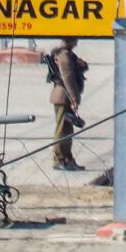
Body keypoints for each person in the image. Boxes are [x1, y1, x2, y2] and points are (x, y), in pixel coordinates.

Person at [43, 40, 88, 171]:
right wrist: (74, 98)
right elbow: (68, 78)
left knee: (68, 129)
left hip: (65, 96)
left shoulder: (68, 54)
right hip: (63, 96)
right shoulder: (63, 56)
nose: (76, 41)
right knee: (62, 129)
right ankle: (59, 159)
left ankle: (67, 157)